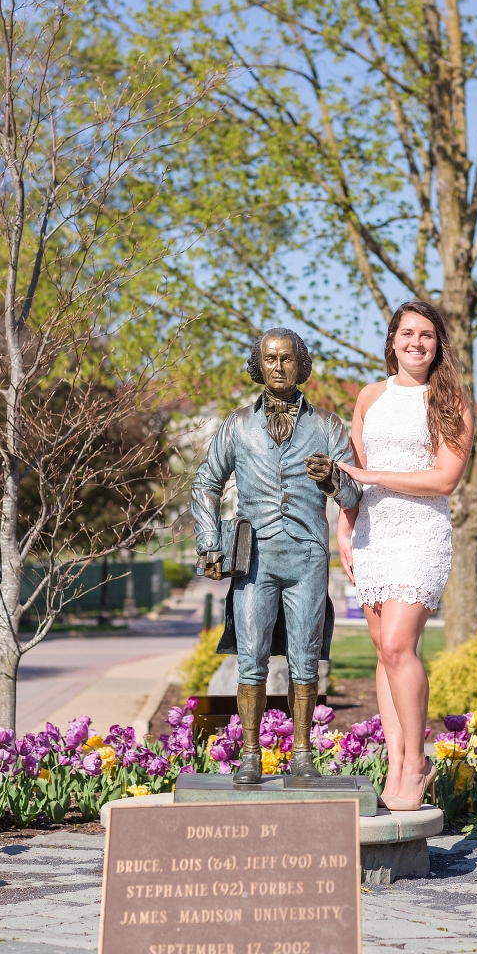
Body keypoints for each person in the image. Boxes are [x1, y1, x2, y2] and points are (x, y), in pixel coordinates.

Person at [190, 327, 362, 784]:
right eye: (270, 359)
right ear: (258, 366)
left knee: (305, 659)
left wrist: (333, 479)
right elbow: (206, 482)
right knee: (252, 657)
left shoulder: (327, 426)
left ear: (300, 365)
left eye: (288, 358)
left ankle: (303, 753)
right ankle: (250, 754)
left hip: (307, 557)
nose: (279, 367)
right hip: (255, 560)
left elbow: (354, 494)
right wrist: (209, 542)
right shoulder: (238, 426)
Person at [336, 302, 473, 811]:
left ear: (439, 346)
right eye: (409, 333)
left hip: (420, 532)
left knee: (398, 644)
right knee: (382, 651)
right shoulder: (370, 396)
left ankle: (417, 760)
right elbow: (353, 475)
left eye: (428, 336)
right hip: (372, 535)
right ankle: (395, 762)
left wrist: (374, 479)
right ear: (393, 340)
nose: (417, 343)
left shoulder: (451, 400)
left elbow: (445, 479)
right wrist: (345, 531)